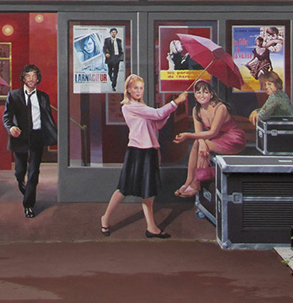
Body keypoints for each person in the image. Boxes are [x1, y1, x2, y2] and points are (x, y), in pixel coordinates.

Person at [100, 74, 187, 239]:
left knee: (148, 191)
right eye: (135, 88)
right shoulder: (129, 106)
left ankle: (151, 227)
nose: (138, 91)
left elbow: (158, 123)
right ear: (128, 90)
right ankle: (105, 218)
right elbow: (157, 114)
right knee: (124, 189)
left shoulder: (142, 106)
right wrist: (176, 102)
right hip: (137, 151)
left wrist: (170, 109)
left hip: (150, 150)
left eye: (141, 88)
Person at [173, 80, 246, 197]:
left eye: (205, 92)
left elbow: (213, 132)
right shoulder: (196, 110)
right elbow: (199, 133)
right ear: (194, 95)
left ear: (211, 94)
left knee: (201, 143)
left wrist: (188, 135)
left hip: (234, 139)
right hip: (217, 138)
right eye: (198, 92)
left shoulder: (220, 108)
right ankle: (188, 181)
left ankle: (196, 184)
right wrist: (202, 143)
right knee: (198, 143)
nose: (202, 96)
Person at [2, 64, 58, 218]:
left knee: (33, 172)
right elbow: (6, 117)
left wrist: (51, 133)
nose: (31, 79)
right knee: (20, 172)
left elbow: (47, 117)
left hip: (37, 136)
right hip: (20, 137)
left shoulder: (43, 97)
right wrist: (11, 128)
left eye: (34, 76)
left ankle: (28, 205)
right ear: (23, 78)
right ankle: (24, 188)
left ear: (38, 79)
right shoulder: (13, 95)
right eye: (28, 76)